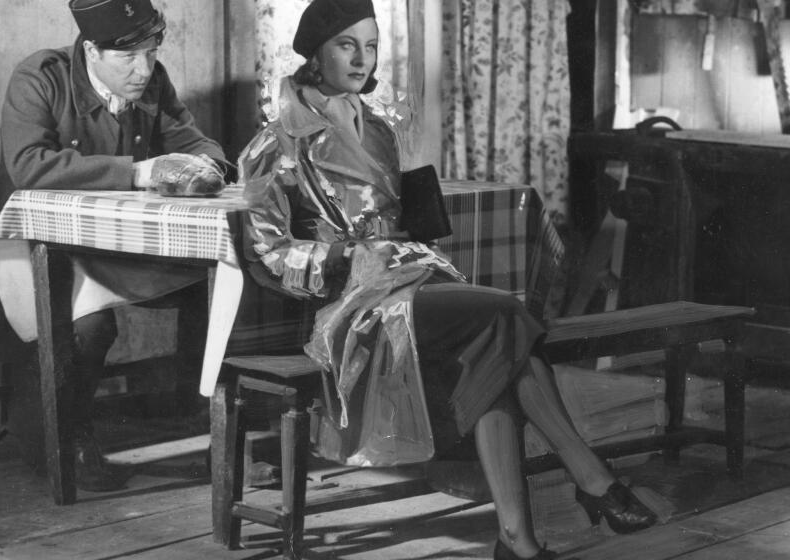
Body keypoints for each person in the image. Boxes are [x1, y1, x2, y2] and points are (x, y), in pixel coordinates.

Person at [238, 1, 659, 558]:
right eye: (347, 45)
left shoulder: (381, 130)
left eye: (371, 45)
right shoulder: (277, 142)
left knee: (495, 342)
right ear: (315, 53)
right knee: (505, 316)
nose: (363, 58)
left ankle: (519, 538)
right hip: (353, 304)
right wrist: (341, 254)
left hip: (412, 280)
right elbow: (268, 252)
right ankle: (587, 476)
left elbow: (406, 223)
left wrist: (415, 216)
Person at [0, 0, 229, 492]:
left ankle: (210, 428)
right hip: (26, 249)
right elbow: (30, 164)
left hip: (110, 248)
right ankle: (70, 439)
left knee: (216, 285)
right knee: (89, 326)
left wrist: (208, 166)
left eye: (152, 51)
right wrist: (139, 172)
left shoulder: (152, 78)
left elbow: (195, 143)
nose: (144, 69)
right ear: (91, 50)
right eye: (128, 58)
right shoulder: (40, 77)